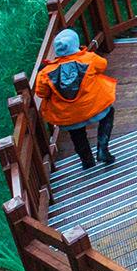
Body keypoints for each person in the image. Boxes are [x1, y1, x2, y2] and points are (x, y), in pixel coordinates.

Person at [34, 29, 118, 169]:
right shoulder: (88, 59)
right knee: (108, 113)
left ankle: (87, 161)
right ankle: (103, 149)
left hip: (68, 115)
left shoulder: (46, 73)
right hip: (94, 107)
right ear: (75, 44)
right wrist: (84, 53)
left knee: (76, 133)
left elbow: (41, 93)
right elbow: (103, 65)